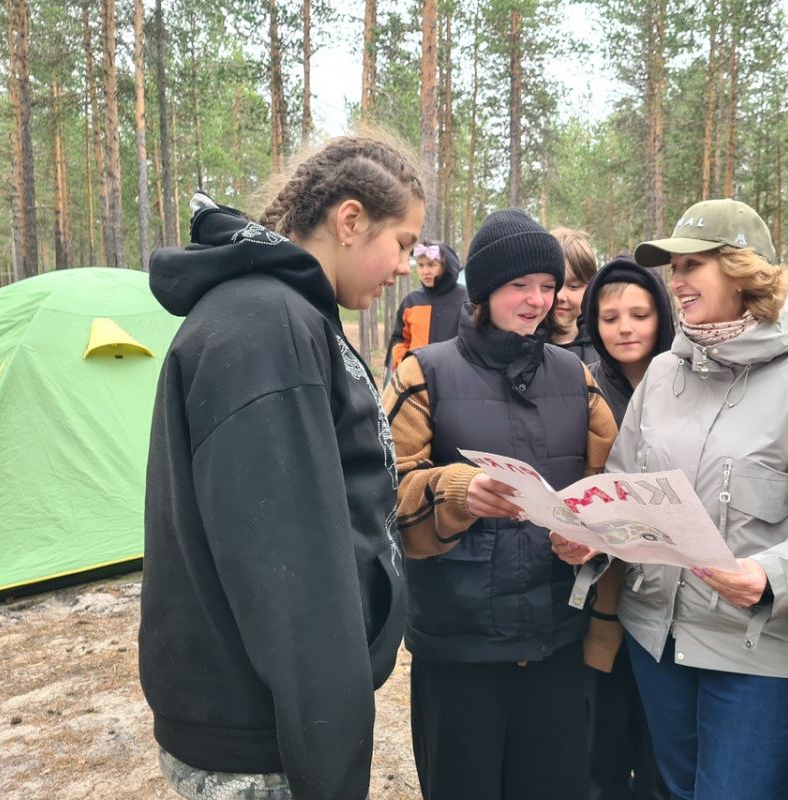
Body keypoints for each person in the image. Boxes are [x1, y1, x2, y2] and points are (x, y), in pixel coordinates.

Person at [140, 135, 421, 800]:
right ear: (350, 221)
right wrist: (331, 768)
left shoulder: (277, 316)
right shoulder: (266, 326)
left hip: (258, 722)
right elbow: (292, 577)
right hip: (257, 741)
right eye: (404, 241)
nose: (407, 266)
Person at [590, 199, 788, 800]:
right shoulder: (662, 374)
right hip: (656, 642)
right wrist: (586, 534)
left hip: (758, 655)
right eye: (674, 269)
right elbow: (622, 488)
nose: (676, 282)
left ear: (742, 272)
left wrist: (768, 575)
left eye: (691, 265)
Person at [382, 209, 618, 800]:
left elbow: (609, 490)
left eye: (549, 285)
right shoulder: (421, 374)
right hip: (460, 649)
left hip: (555, 644)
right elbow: (384, 499)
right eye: (521, 286)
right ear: (484, 290)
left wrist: (590, 541)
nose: (539, 300)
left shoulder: (577, 380)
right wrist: (456, 492)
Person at [578, 256, 675, 800]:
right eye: (610, 316)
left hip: (676, 590)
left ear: (661, 315)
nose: (625, 328)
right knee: (604, 738)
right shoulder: (583, 386)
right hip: (607, 591)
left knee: (663, 748)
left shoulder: (688, 384)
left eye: (639, 314)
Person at [386, 240, 468, 372]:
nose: (425, 271)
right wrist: (404, 363)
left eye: (431, 265)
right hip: (417, 380)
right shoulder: (411, 302)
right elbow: (399, 339)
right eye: (420, 265)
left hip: (454, 377)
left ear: (446, 266)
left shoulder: (465, 299)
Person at [550, 226, 600, 363]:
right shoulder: (521, 347)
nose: (560, 296)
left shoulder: (602, 350)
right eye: (552, 286)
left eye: (573, 286)